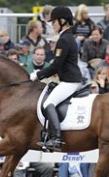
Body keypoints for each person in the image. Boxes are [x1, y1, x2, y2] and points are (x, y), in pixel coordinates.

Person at [29, 6, 82, 151]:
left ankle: (56, 139)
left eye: (54, 22)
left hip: (70, 81)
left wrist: (37, 75)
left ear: (63, 21)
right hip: (70, 79)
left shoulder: (64, 39)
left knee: (49, 103)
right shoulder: (68, 37)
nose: (52, 25)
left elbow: (56, 65)